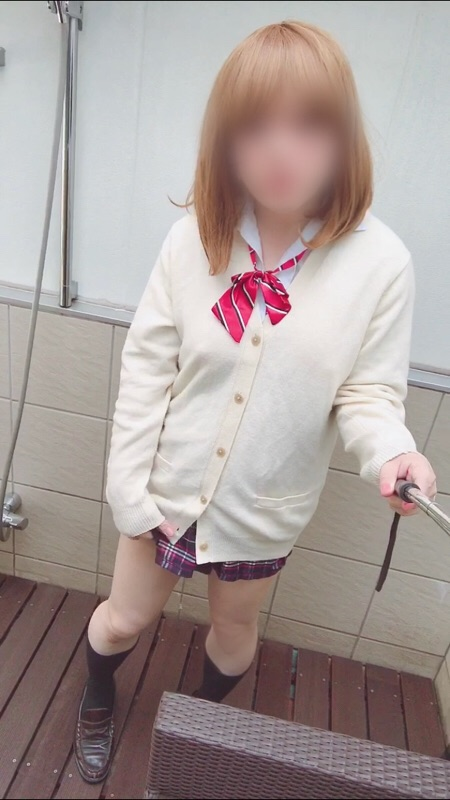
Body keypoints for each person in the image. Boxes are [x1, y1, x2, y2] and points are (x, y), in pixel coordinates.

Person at [74, 20, 437, 783]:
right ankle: (96, 693)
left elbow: (367, 391)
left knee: (235, 632)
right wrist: (129, 494)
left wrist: (393, 452)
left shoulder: (381, 264)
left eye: (308, 126)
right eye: (254, 127)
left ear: (342, 137)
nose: (280, 150)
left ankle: (198, 727)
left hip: (263, 508)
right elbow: (146, 369)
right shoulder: (193, 239)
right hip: (164, 489)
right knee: (124, 617)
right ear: (226, 141)